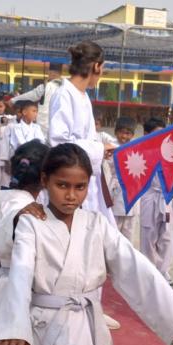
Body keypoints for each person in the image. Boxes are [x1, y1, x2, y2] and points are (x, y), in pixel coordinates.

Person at [0, 143, 173, 345]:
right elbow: (20, 274)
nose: (71, 195)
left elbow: (134, 267)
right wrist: (16, 327)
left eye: (80, 187)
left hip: (86, 327)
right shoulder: (31, 222)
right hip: (42, 324)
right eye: (62, 185)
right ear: (45, 180)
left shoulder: (96, 223)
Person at [0, 139, 49, 345]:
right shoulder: (23, 207)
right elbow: (8, 225)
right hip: (15, 289)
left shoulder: (0, 195)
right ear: (45, 178)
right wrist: (19, 217)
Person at [48, 41, 117, 224]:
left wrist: (101, 150)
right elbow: (58, 141)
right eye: (102, 68)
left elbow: (89, 137)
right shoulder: (64, 94)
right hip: (71, 177)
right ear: (96, 66)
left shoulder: (83, 95)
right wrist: (97, 149)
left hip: (86, 173)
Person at [138, 117, 173, 281]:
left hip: (166, 197)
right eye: (156, 134)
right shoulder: (140, 151)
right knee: (148, 234)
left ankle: (163, 273)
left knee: (167, 236)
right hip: (149, 197)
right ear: (146, 134)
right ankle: (148, 272)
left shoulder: (170, 150)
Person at [10, 62, 64, 140]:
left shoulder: (46, 87)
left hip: (44, 129)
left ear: (50, 72)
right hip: (60, 130)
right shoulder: (66, 88)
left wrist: (13, 100)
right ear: (60, 73)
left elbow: (29, 96)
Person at [107, 116, 139, 239]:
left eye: (128, 133)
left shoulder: (136, 147)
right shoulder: (110, 147)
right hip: (116, 187)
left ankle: (126, 256)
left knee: (128, 230)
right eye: (121, 132)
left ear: (132, 134)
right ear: (115, 132)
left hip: (132, 189)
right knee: (114, 227)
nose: (124, 136)